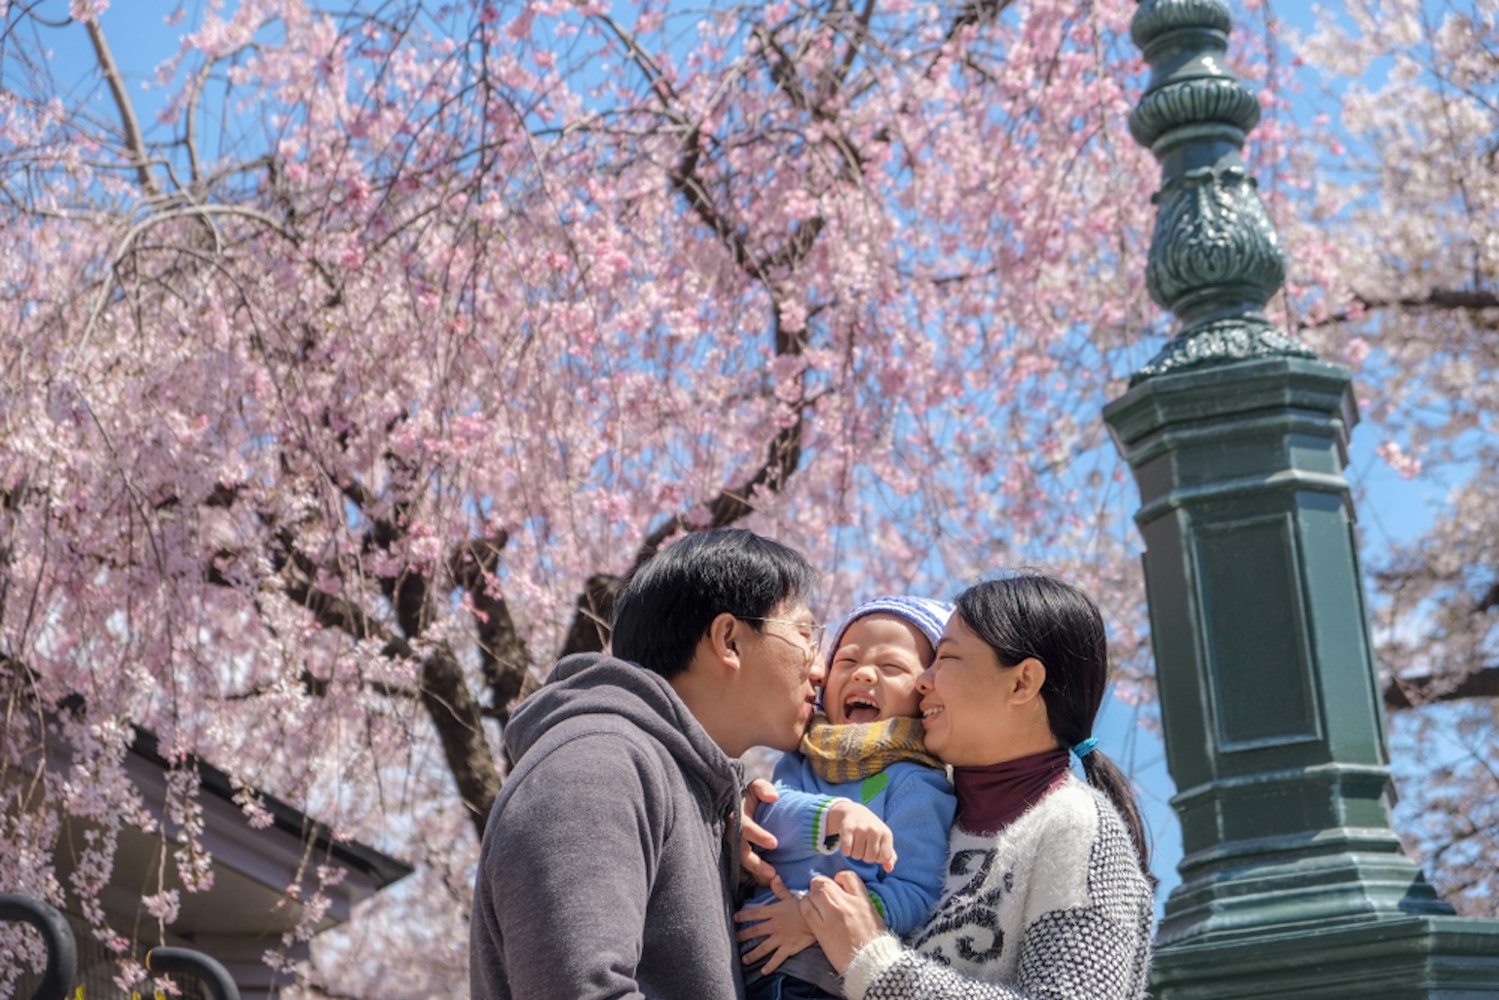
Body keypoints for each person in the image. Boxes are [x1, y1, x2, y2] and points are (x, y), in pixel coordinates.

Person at [469, 528, 826, 1000]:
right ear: (729, 640)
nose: (820, 668)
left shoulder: (693, 794)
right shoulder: (597, 764)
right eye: (804, 634)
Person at [791, 574, 1155, 1000]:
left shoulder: (1075, 828)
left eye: (945, 659)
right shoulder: (922, 808)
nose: (922, 680)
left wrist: (876, 963)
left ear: (1022, 682)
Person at [736, 596, 959, 999]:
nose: (864, 675)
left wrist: (816, 916)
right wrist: (833, 813)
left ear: (923, 692)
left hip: (822, 975)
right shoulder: (805, 757)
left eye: (890, 667)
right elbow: (766, 821)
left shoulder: (917, 782)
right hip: (745, 965)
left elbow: (917, 893)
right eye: (847, 661)